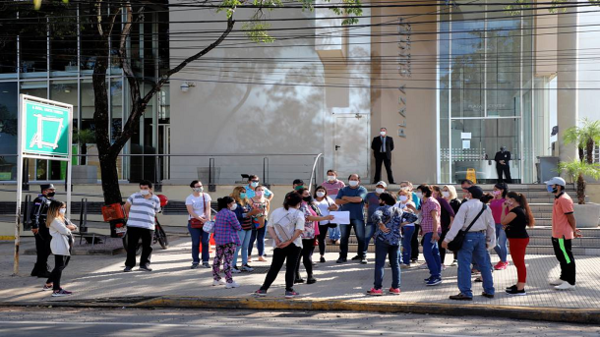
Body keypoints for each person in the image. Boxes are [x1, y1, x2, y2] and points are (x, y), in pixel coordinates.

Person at [442, 186, 496, 300]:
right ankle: (489, 290)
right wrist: (490, 241)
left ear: (470, 194)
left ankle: (466, 292)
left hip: (467, 237)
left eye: (467, 193)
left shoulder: (465, 205)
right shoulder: (486, 207)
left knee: (464, 265)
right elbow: (491, 226)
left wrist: (447, 239)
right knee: (484, 264)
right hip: (481, 236)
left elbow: (457, 224)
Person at [254, 192, 305, 299]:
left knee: (274, 267)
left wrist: (276, 239)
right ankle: (289, 290)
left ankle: (263, 289)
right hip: (294, 244)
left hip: (279, 244)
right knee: (291, 267)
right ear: (299, 203)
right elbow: (299, 230)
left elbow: (270, 227)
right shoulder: (299, 213)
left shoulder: (276, 211)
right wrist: (290, 241)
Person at [546, 177, 581, 290]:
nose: (550, 187)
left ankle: (570, 282)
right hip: (557, 234)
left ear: (558, 186)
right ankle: (563, 277)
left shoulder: (564, 199)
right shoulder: (558, 198)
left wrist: (574, 230)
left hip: (562, 235)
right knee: (561, 257)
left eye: (552, 185)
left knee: (567, 258)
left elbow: (571, 217)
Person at [295, 188, 334, 284]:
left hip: (311, 232)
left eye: (308, 193)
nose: (308, 195)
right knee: (305, 255)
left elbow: (317, 214)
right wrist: (324, 218)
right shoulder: (302, 205)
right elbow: (308, 217)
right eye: (305, 194)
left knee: (302, 255)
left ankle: (297, 276)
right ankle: (309, 276)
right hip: (305, 234)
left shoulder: (310, 204)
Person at [501, 191, 535, 295]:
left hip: (518, 240)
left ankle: (520, 288)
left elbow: (502, 221)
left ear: (512, 199)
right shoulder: (520, 209)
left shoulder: (516, 211)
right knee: (518, 263)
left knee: (519, 264)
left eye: (507, 199)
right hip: (518, 238)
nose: (506, 201)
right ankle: (518, 285)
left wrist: (503, 208)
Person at [123, 180, 161, 272]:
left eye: (145, 188)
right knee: (132, 245)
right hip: (133, 225)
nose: (143, 190)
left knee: (148, 246)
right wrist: (128, 216)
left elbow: (156, 210)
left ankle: (144, 264)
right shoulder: (134, 196)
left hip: (148, 226)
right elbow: (126, 206)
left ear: (150, 189)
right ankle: (129, 265)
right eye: (141, 188)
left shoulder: (155, 199)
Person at [43, 200, 77, 297]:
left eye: (64, 207)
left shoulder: (63, 218)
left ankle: (48, 283)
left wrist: (69, 227)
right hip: (59, 245)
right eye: (62, 207)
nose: (64, 209)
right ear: (56, 209)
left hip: (66, 244)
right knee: (59, 266)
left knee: (62, 265)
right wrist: (68, 227)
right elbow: (65, 231)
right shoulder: (54, 220)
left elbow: (74, 226)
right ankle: (56, 290)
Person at [335, 174, 368, 264]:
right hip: (344, 216)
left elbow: (359, 199)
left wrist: (345, 198)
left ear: (359, 181)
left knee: (361, 237)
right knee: (344, 237)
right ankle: (342, 256)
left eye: (355, 179)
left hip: (358, 216)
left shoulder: (362, 189)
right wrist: (351, 199)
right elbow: (337, 201)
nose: (353, 180)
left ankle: (362, 255)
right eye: (351, 179)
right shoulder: (343, 189)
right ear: (348, 180)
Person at [212, 196, 242, 289]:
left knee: (217, 258)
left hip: (219, 239)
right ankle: (229, 281)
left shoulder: (219, 213)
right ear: (229, 204)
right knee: (228, 261)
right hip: (229, 239)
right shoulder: (231, 214)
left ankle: (216, 279)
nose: (234, 205)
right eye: (233, 203)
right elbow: (238, 226)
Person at [415, 185, 443, 286]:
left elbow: (435, 218)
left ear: (425, 192)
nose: (417, 193)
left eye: (419, 191)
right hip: (428, 231)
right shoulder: (423, 202)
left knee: (427, 252)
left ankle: (436, 275)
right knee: (434, 252)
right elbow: (424, 217)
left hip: (432, 231)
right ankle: (436, 274)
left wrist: (435, 232)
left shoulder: (432, 202)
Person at [231, 186, 260, 273]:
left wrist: (255, 212)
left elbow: (250, 213)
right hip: (240, 228)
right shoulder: (235, 204)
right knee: (237, 247)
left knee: (245, 247)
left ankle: (244, 264)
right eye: (242, 192)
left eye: (244, 192)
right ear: (237, 193)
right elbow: (236, 216)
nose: (244, 193)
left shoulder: (246, 203)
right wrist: (248, 214)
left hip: (249, 227)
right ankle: (232, 265)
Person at [30, 184, 56, 278]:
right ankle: (42, 270)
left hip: (47, 226)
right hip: (41, 227)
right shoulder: (40, 200)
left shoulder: (48, 200)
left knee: (44, 249)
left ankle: (37, 269)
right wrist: (35, 225)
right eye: (51, 190)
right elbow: (35, 213)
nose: (53, 191)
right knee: (44, 249)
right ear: (44, 191)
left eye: (53, 189)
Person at [185, 180, 212, 269]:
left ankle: (206, 261)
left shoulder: (206, 196)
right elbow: (191, 211)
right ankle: (195, 261)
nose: (200, 188)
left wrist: (207, 218)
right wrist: (201, 219)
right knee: (195, 242)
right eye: (197, 186)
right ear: (193, 188)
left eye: (201, 185)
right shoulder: (190, 198)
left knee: (205, 241)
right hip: (194, 222)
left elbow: (208, 208)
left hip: (205, 222)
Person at [432, 186, 455, 269]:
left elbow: (451, 212)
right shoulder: (428, 201)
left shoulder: (441, 200)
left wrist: (451, 223)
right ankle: (435, 261)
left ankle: (441, 263)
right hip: (432, 226)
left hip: (443, 225)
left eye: (434, 191)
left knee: (441, 244)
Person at [313, 186, 338, 263]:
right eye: (318, 190)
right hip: (313, 222)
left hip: (324, 222)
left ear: (325, 192)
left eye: (322, 190)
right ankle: (309, 256)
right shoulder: (312, 200)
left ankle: (322, 255)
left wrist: (331, 207)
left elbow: (336, 207)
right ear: (315, 192)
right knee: (312, 240)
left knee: (322, 239)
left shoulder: (327, 199)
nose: (320, 192)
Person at [364, 181, 388, 259]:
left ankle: (380, 256)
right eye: (378, 186)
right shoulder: (369, 195)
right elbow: (366, 205)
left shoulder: (387, 196)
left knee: (380, 239)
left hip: (382, 222)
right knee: (366, 237)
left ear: (385, 188)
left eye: (382, 187)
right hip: (370, 221)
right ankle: (363, 255)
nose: (380, 188)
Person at [394, 188, 416, 268]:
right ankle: (399, 261)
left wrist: (403, 223)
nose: (402, 196)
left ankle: (406, 261)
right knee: (398, 244)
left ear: (408, 195)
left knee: (406, 244)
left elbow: (412, 216)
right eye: (400, 194)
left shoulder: (411, 204)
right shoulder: (397, 204)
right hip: (398, 227)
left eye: (404, 195)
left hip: (408, 227)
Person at [248, 185, 270, 262]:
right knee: (252, 238)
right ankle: (249, 255)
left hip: (263, 219)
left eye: (262, 190)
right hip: (253, 220)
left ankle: (260, 255)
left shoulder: (266, 200)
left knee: (261, 238)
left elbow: (267, 210)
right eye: (258, 190)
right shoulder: (251, 200)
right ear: (255, 191)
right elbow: (249, 210)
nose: (260, 191)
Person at [400, 181, 421, 264]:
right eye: (401, 186)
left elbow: (415, 208)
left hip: (414, 221)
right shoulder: (401, 197)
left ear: (410, 187)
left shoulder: (415, 196)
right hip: (403, 221)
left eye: (404, 186)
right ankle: (405, 255)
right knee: (404, 239)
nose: (403, 187)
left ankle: (414, 256)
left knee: (413, 239)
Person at [490, 183, 509, 270]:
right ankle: (503, 259)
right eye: (494, 189)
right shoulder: (492, 200)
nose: (494, 191)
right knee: (493, 243)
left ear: (502, 190)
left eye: (496, 189)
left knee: (502, 243)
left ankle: (504, 261)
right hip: (493, 224)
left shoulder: (506, 200)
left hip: (503, 224)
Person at [322, 170, 345, 244]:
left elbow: (344, 194)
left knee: (337, 222)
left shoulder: (340, 183)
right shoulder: (324, 184)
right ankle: (331, 237)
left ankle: (338, 237)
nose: (330, 176)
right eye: (329, 174)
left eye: (332, 174)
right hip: (328, 206)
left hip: (338, 205)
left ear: (336, 175)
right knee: (330, 221)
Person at [442, 185, 461, 266]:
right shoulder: (442, 201)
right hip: (443, 224)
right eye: (444, 190)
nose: (445, 192)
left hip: (454, 225)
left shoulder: (456, 201)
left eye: (447, 190)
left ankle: (456, 258)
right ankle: (441, 261)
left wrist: (452, 223)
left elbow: (457, 214)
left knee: (454, 241)